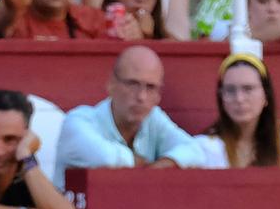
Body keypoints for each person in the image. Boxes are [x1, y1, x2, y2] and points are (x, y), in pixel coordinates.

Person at [52, 45, 191, 185]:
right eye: (132, 84)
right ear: (111, 84)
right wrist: (147, 166)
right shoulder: (78, 121)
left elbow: (195, 151)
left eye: (150, 87)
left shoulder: (153, 118)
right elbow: (104, 158)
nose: (141, 96)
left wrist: (160, 166)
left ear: (158, 95)